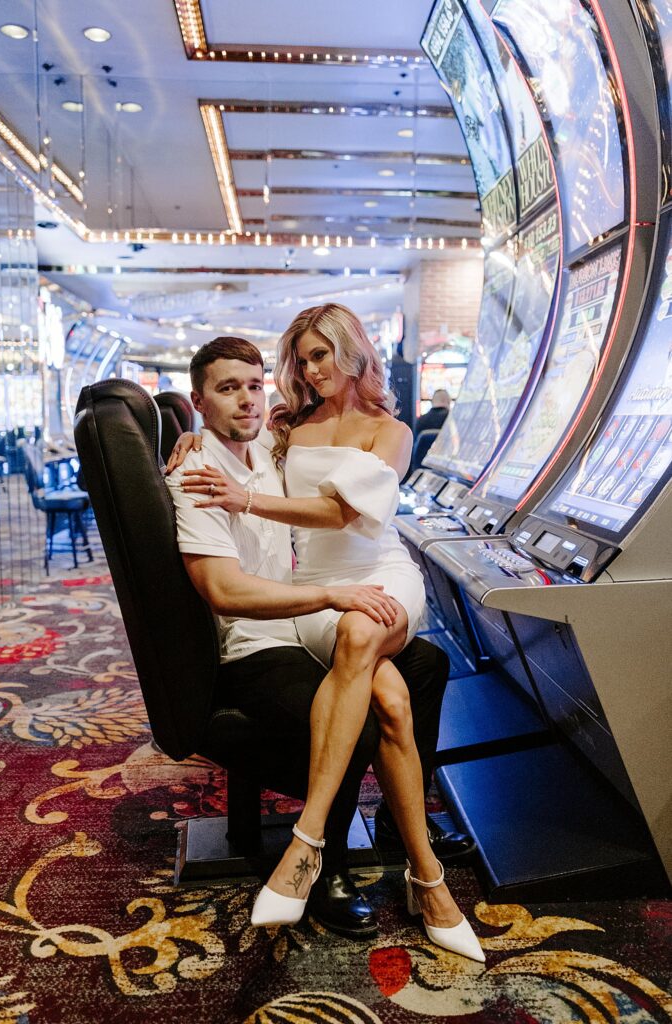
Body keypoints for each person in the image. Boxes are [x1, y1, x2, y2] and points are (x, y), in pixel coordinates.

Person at [172, 307, 483, 962]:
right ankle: (428, 881)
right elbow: (232, 446)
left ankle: (307, 843)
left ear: (354, 354)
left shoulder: (392, 431)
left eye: (323, 355)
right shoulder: (283, 428)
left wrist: (243, 499)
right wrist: (187, 438)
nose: (311, 369)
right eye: (302, 358)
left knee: (366, 641)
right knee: (391, 699)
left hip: (379, 575)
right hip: (317, 594)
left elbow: (341, 511)